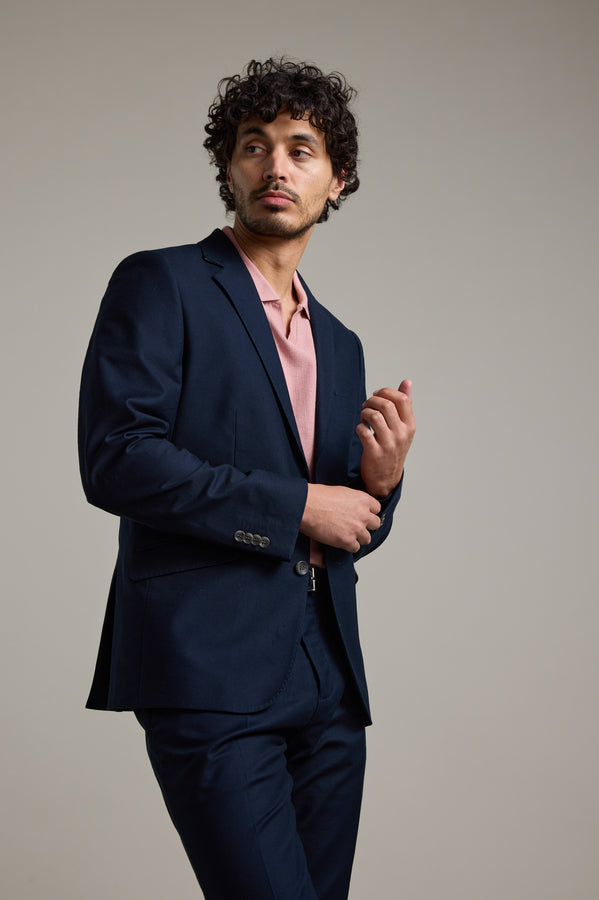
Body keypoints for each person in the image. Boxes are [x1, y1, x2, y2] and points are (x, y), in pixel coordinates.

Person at [79, 57, 415, 900]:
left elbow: (343, 524)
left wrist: (382, 484)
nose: (276, 166)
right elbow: (117, 454)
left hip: (329, 682)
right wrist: (301, 504)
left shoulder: (341, 342)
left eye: (302, 149)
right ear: (227, 169)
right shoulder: (163, 283)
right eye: (254, 145)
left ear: (338, 181)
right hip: (210, 672)